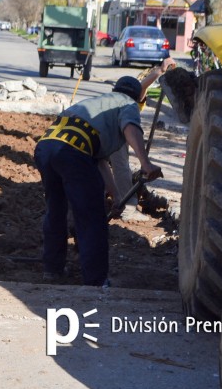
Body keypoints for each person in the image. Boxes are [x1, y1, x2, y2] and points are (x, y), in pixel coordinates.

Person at [33, 76, 163, 287]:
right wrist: (145, 163)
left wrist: (116, 195)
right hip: (74, 152)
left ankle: (52, 269)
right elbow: (130, 127)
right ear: (138, 97)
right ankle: (96, 280)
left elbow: (99, 161)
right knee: (92, 218)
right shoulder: (128, 103)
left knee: (55, 210)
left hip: (46, 148)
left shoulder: (99, 102)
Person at [109, 57, 177, 221]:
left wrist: (160, 71)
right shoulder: (128, 105)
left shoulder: (116, 101)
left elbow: (142, 86)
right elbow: (141, 87)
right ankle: (128, 208)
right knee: (121, 166)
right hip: (106, 136)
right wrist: (145, 163)